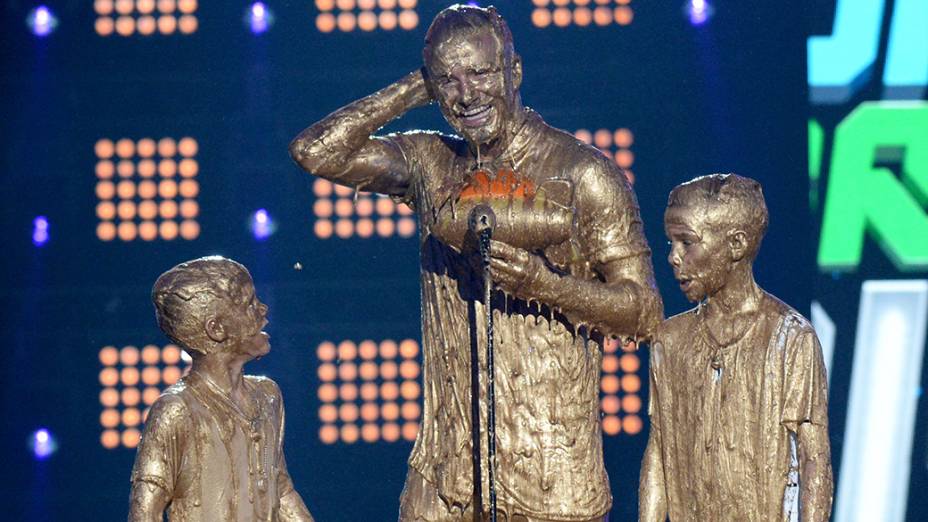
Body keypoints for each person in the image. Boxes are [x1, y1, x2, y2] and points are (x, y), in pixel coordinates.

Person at [290, 5, 662, 521]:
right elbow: (315, 151)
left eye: (481, 73)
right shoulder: (429, 162)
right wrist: (413, 89)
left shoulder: (584, 174)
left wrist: (547, 286)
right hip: (445, 472)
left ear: (514, 72)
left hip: (551, 472)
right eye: (448, 80)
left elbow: (644, 312)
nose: (466, 95)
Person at [639, 174, 833, 521]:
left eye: (686, 242)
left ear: (736, 245)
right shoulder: (669, 340)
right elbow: (659, 452)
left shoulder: (790, 338)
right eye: (670, 243)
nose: (673, 257)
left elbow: (813, 459)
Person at [128, 256, 314, 522]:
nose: (262, 309)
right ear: (216, 328)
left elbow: (281, 491)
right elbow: (145, 511)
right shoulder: (176, 410)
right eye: (249, 304)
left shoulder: (268, 396)